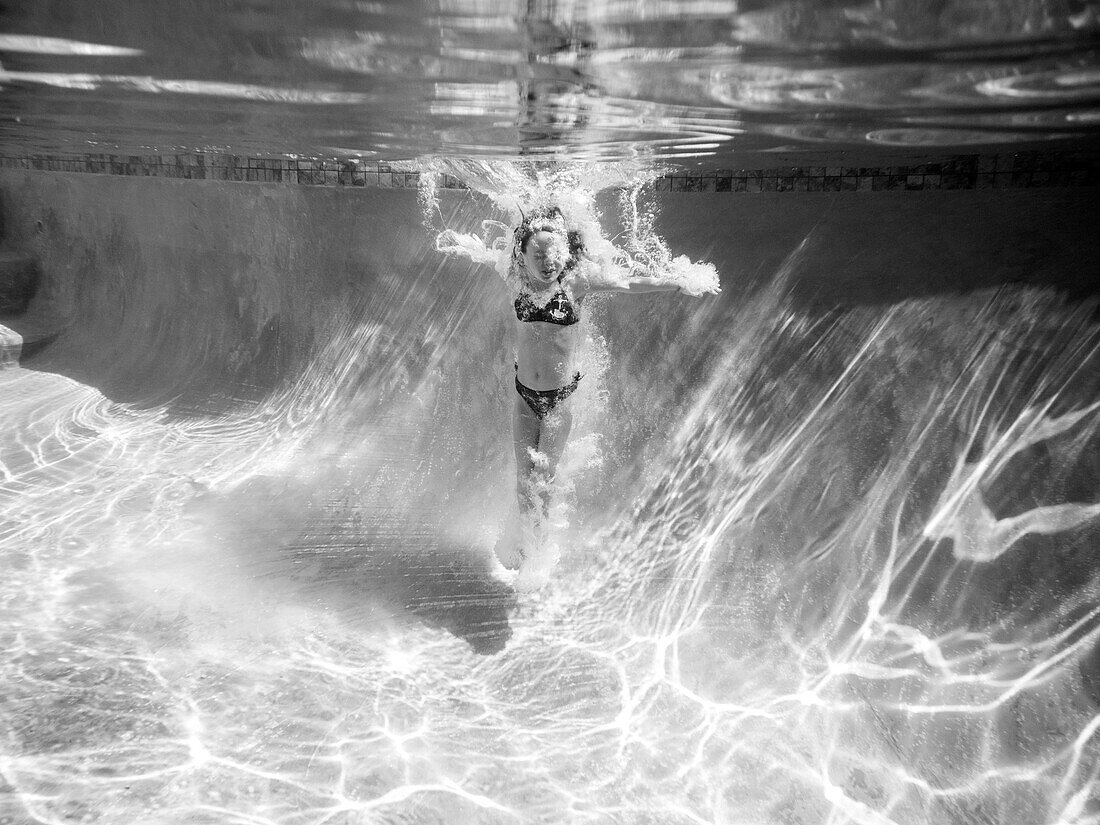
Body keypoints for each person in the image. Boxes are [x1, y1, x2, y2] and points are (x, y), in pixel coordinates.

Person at [495, 206, 716, 570]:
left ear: (564, 253)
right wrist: (463, 245)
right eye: (538, 255)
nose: (547, 262)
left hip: (556, 403)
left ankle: (538, 550)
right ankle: (524, 544)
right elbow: (489, 255)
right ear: (523, 255)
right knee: (524, 480)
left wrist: (678, 281)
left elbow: (629, 283)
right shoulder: (516, 282)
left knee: (543, 480)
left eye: (553, 254)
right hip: (523, 398)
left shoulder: (575, 285)